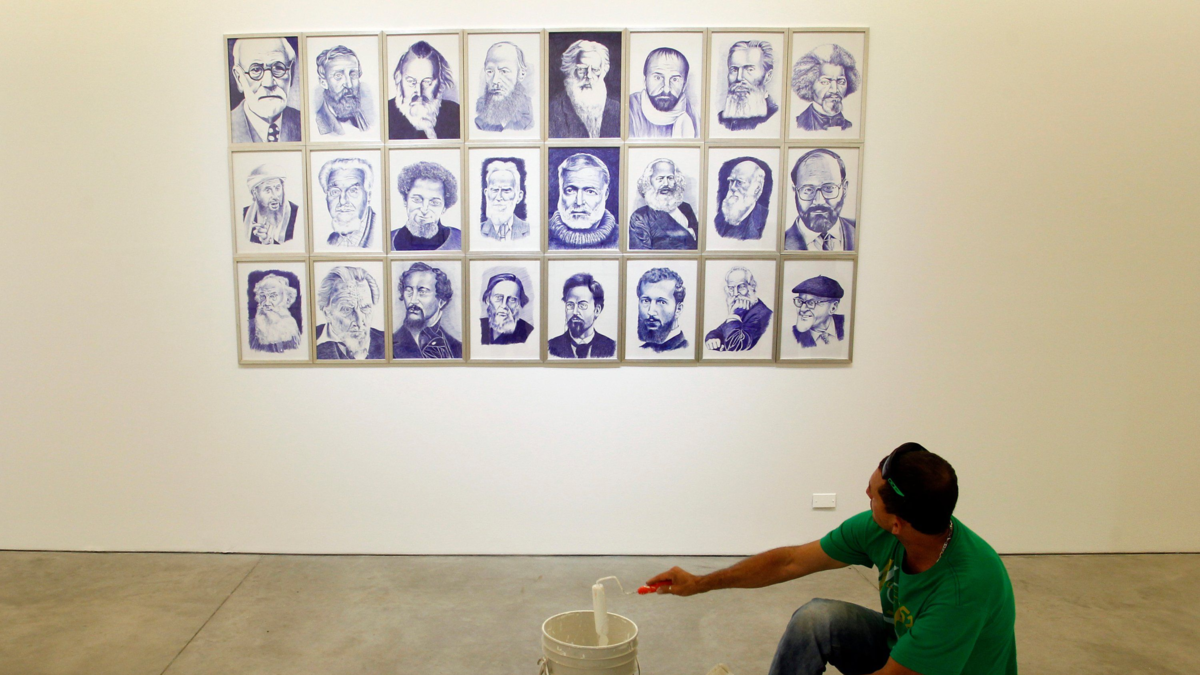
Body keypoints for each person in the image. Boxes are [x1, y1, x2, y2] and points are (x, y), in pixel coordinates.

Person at [645, 443, 1018, 675]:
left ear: (898, 523)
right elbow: (790, 562)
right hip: (903, 647)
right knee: (816, 618)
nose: (865, 495)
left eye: (872, 496)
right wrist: (699, 583)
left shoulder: (964, 590)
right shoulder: (884, 528)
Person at [229, 37, 302, 143]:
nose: (269, 83)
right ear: (239, 78)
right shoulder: (226, 125)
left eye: (278, 68)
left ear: (291, 72)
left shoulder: (305, 122)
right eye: (256, 70)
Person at [784, 149, 856, 251]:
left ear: (844, 189)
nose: (819, 201)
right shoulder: (780, 242)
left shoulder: (860, 231)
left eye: (829, 188)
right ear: (795, 191)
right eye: (808, 190)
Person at [389, 40, 461, 140]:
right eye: (411, 81)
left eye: (427, 82)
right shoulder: (386, 114)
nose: (419, 92)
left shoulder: (455, 114)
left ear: (440, 82)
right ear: (399, 79)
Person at [549, 40, 620, 139]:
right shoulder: (554, 110)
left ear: (603, 71)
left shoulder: (616, 109)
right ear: (571, 70)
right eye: (582, 69)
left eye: (595, 69)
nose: (589, 75)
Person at [548, 153, 619, 250]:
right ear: (560, 191)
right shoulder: (539, 235)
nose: (579, 202)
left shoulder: (624, 238)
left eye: (590, 192)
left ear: (606, 194)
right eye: (570, 190)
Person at [393, 262, 462, 359]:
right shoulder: (387, 345)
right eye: (409, 291)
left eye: (422, 292)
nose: (413, 300)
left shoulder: (459, 348)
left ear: (441, 301)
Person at [314, 266, 384, 360]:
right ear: (327, 314)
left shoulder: (388, 341)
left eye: (365, 308)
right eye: (347, 309)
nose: (359, 322)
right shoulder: (308, 341)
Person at [391, 161, 462, 251]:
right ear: (405, 200)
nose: (424, 209)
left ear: (444, 207)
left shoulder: (460, 240)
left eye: (434, 202)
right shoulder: (388, 239)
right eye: (417, 200)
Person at [628, 48, 698, 139]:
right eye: (657, 78)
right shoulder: (629, 107)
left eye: (675, 79)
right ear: (645, 80)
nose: (666, 89)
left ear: (684, 85)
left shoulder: (692, 114)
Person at [629, 159, 698, 250]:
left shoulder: (686, 208)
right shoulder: (640, 216)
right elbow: (641, 254)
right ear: (649, 182)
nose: (666, 183)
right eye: (660, 179)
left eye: (670, 178)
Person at [791, 44, 861, 132]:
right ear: (809, 83)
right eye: (825, 82)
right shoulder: (797, 124)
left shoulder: (850, 127)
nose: (834, 90)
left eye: (840, 82)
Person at [548, 274, 616, 359]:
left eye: (582, 305)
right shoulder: (550, 347)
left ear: (597, 310)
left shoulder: (612, 347)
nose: (575, 312)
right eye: (570, 305)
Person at [704, 267, 772, 352]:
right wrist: (712, 338)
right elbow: (719, 331)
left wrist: (733, 315)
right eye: (731, 288)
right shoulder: (743, 310)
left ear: (752, 286)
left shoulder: (762, 314)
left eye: (741, 287)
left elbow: (735, 346)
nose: (735, 293)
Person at [717, 40, 778, 132]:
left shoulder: (775, 116)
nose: (739, 77)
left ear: (768, 76)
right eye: (734, 70)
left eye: (749, 69)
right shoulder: (720, 120)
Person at [318, 157, 378, 249]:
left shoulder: (380, 233)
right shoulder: (331, 240)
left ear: (368, 196)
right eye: (335, 191)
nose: (342, 201)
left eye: (353, 191)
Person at [475, 42, 534, 132]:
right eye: (490, 71)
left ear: (521, 74)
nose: (495, 81)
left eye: (504, 71)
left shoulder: (530, 115)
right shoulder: (479, 120)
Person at [313, 45, 370, 136]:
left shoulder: (363, 120)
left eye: (353, 75)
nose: (349, 84)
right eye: (338, 76)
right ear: (323, 82)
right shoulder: (315, 123)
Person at [714, 159, 771, 241]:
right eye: (732, 181)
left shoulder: (764, 220)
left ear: (757, 189)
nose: (733, 187)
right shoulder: (718, 219)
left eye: (739, 182)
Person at [242, 164, 298, 245]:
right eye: (268, 190)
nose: (275, 196)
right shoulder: (244, 214)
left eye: (277, 188)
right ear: (255, 193)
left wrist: (266, 239)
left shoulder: (296, 213)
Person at [636, 267, 688, 352]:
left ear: (678, 309)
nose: (651, 312)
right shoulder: (642, 350)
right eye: (646, 301)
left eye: (661, 302)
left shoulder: (684, 349)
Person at [479, 158, 530, 242]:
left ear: (519, 196)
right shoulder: (477, 231)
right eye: (495, 190)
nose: (499, 197)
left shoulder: (529, 230)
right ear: (486, 194)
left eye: (506, 190)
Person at [248, 273, 302, 353]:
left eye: (272, 296)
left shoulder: (291, 325)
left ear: (285, 298)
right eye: (263, 297)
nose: (266, 303)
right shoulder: (250, 327)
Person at [790, 275, 845, 347]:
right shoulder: (793, 335)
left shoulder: (846, 324)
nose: (802, 309)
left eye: (811, 303)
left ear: (833, 308)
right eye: (800, 301)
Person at [480, 273, 533, 345]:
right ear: (488, 300)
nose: (504, 305)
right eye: (498, 298)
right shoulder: (478, 327)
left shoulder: (528, 332)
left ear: (518, 304)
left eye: (512, 300)